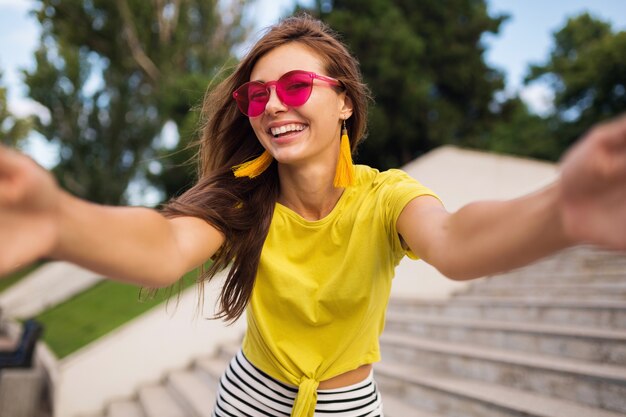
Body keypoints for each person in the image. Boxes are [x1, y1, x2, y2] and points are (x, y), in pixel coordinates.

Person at [1, 14, 626, 417]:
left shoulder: (385, 197)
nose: (273, 105)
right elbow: (163, 244)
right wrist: (59, 220)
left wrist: (558, 210)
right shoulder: (241, 197)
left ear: (345, 103)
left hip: (349, 406)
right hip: (250, 396)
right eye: (256, 94)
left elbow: (457, 240)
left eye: (296, 87)